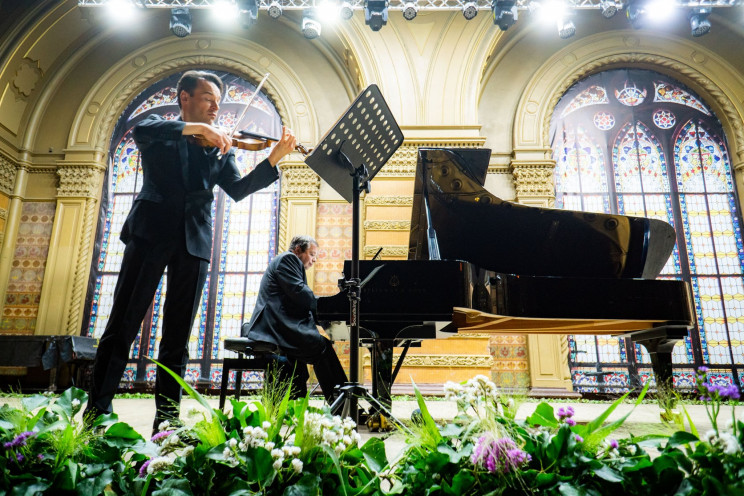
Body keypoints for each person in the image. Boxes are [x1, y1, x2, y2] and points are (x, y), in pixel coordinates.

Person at [85, 70, 297, 431]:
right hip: (150, 233)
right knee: (123, 323)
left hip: (194, 242)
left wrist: (273, 159)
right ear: (184, 97)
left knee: (177, 337)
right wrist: (198, 129)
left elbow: (239, 189)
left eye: (218, 101)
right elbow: (143, 130)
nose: (216, 106)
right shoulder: (159, 128)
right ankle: (97, 410)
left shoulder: (219, 147)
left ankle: (166, 421)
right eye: (208, 98)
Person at [241, 235, 348, 407]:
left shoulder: (290, 264)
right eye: (312, 254)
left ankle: (339, 404)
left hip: (279, 323)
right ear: (298, 250)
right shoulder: (288, 259)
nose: (314, 260)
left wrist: (325, 319)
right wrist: (327, 309)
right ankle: (343, 405)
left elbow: (297, 301)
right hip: (273, 326)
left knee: (319, 348)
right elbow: (299, 292)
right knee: (323, 348)